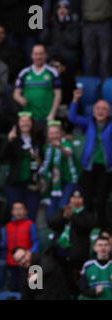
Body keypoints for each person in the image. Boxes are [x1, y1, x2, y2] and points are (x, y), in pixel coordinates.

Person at [68, 90, 112, 228]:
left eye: (104, 109)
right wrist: (75, 99)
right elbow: (72, 117)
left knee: (101, 200)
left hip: (106, 169)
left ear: (109, 112)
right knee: (86, 199)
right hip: (89, 167)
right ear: (93, 111)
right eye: (98, 108)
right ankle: (86, 227)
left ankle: (102, 229)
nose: (100, 111)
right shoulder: (88, 123)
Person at [48, 187, 96, 296]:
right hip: (59, 256)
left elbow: (85, 227)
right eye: (73, 197)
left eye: (79, 198)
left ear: (83, 199)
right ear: (70, 199)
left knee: (76, 286)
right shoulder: (64, 210)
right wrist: (63, 216)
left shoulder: (87, 213)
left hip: (77, 257)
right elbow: (51, 222)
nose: (76, 200)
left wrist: (73, 216)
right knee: (60, 285)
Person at [3, 112, 45, 221]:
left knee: (31, 218)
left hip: (32, 184)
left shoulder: (38, 139)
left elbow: (43, 158)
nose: (25, 124)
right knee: (16, 217)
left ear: (32, 123)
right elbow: (2, 157)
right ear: (18, 124)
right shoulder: (14, 138)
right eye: (22, 121)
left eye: (28, 121)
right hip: (15, 184)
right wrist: (9, 140)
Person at [38, 121, 79, 220]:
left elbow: (68, 153)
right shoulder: (47, 147)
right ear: (48, 135)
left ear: (61, 133)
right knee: (51, 210)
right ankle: (53, 231)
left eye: (57, 133)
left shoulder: (66, 142)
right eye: (52, 133)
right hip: (54, 182)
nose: (55, 135)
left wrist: (60, 147)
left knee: (63, 206)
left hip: (68, 180)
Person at [13, 44, 62, 124]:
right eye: (36, 54)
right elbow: (16, 94)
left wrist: (52, 114)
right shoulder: (24, 72)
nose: (38, 57)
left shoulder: (53, 72)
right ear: (31, 55)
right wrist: (20, 98)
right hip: (28, 118)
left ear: (46, 55)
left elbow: (58, 95)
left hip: (47, 117)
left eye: (41, 54)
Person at [2, 202, 40, 292]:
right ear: (12, 212)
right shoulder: (8, 226)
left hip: (27, 262)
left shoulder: (30, 224)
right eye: (15, 209)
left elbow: (36, 242)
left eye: (21, 209)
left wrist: (31, 254)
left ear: (26, 211)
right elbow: (5, 243)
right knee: (13, 287)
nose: (18, 211)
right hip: (12, 262)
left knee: (31, 287)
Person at [40, 0, 81, 74]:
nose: (62, 10)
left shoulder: (74, 23)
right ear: (56, 10)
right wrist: (48, 28)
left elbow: (73, 42)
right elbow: (43, 40)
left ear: (69, 10)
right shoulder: (51, 22)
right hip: (52, 56)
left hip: (67, 57)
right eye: (59, 8)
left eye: (65, 8)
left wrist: (63, 27)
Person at [81, 0, 112, 78]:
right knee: (90, 59)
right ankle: (91, 86)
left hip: (105, 23)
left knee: (106, 59)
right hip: (88, 24)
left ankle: (106, 87)